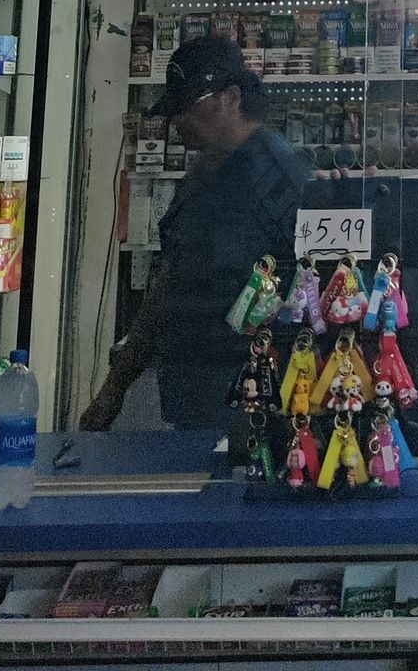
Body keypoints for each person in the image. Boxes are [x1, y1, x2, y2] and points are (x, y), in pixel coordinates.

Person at [81, 36, 312, 435]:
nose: (177, 122)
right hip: (192, 397)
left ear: (232, 97)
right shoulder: (202, 175)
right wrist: (114, 388)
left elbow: (310, 298)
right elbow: (168, 282)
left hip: (254, 404)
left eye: (188, 107)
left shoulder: (280, 177)